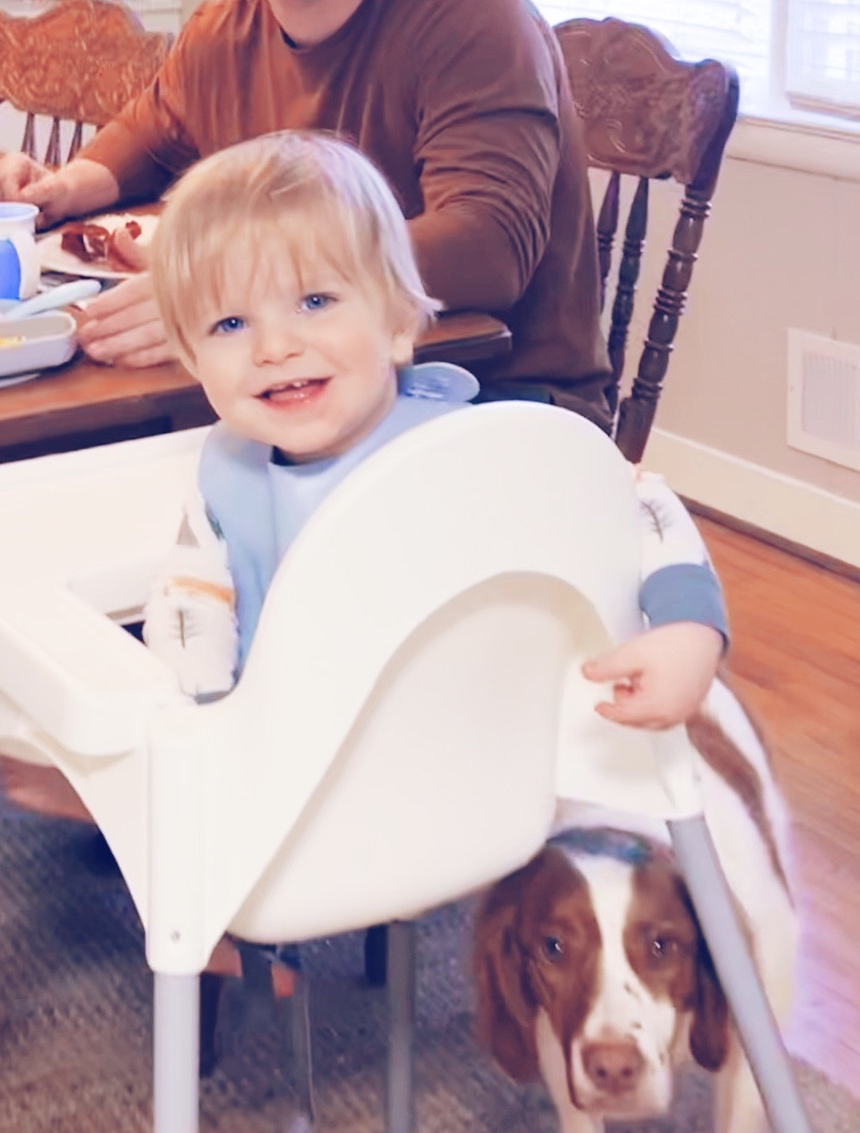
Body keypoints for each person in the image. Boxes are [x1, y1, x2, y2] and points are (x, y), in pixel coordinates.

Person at [0, 0, 611, 418]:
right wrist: (58, 190)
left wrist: (218, 288)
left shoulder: (470, 17)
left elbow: (486, 250)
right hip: (300, 393)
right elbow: (149, 138)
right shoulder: (222, 31)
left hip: (484, 400)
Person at [138, 131, 728, 728]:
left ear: (398, 324)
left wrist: (685, 630)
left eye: (315, 302)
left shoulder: (468, 451)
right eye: (231, 322)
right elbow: (191, 594)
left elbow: (635, 504)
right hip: (294, 751)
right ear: (191, 360)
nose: (275, 347)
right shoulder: (227, 476)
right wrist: (203, 708)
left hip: (471, 748)